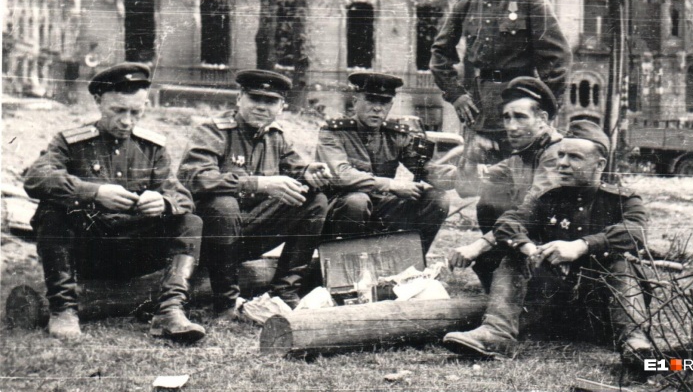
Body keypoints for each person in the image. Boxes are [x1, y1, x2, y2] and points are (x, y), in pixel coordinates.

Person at [443, 120, 653, 367]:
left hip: (601, 310)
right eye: (561, 155)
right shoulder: (547, 199)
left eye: (574, 157)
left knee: (620, 261)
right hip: (552, 306)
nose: (562, 163)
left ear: (600, 164)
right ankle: (496, 334)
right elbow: (507, 223)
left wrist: (581, 246)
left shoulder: (622, 200)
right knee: (515, 255)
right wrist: (530, 249)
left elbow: (636, 232)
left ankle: (635, 343)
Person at [24, 63, 206, 343]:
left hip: (135, 252)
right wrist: (93, 193)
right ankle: (63, 308)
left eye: (135, 112)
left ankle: (170, 310)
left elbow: (181, 196)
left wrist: (164, 202)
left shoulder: (152, 148)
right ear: (98, 101)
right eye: (118, 111)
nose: (126, 121)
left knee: (190, 222)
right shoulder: (70, 143)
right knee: (52, 211)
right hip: (88, 252)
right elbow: (37, 177)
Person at [177, 70, 332, 316]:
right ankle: (225, 301)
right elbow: (196, 178)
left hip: (248, 232)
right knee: (224, 205)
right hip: (209, 239)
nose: (261, 106)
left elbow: (296, 170)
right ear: (239, 98)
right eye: (254, 98)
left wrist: (308, 173)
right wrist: (258, 184)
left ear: (281, 106)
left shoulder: (275, 137)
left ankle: (285, 290)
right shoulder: (213, 131)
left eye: (270, 101)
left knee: (314, 201)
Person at [429, 0, 571, 165]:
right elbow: (440, 53)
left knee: (522, 171)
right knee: (475, 175)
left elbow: (558, 57)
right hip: (479, 107)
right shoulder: (465, 4)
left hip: (522, 103)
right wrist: (456, 95)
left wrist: (546, 106)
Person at [316, 72, 456, 254]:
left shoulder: (395, 135)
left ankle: (410, 262)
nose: (377, 108)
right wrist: (391, 185)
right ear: (355, 101)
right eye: (371, 100)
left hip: (381, 209)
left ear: (390, 105)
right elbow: (341, 175)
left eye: (384, 102)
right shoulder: (333, 132)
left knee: (437, 199)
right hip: (339, 212)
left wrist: (467, 176)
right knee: (357, 201)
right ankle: (346, 263)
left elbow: (427, 169)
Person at [447, 77, 563, 291]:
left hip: (555, 249)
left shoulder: (559, 154)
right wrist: (471, 158)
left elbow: (532, 213)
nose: (511, 126)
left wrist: (479, 246)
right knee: (490, 197)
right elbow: (467, 188)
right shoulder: (522, 156)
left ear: (542, 119)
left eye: (520, 117)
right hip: (522, 238)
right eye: (507, 118)